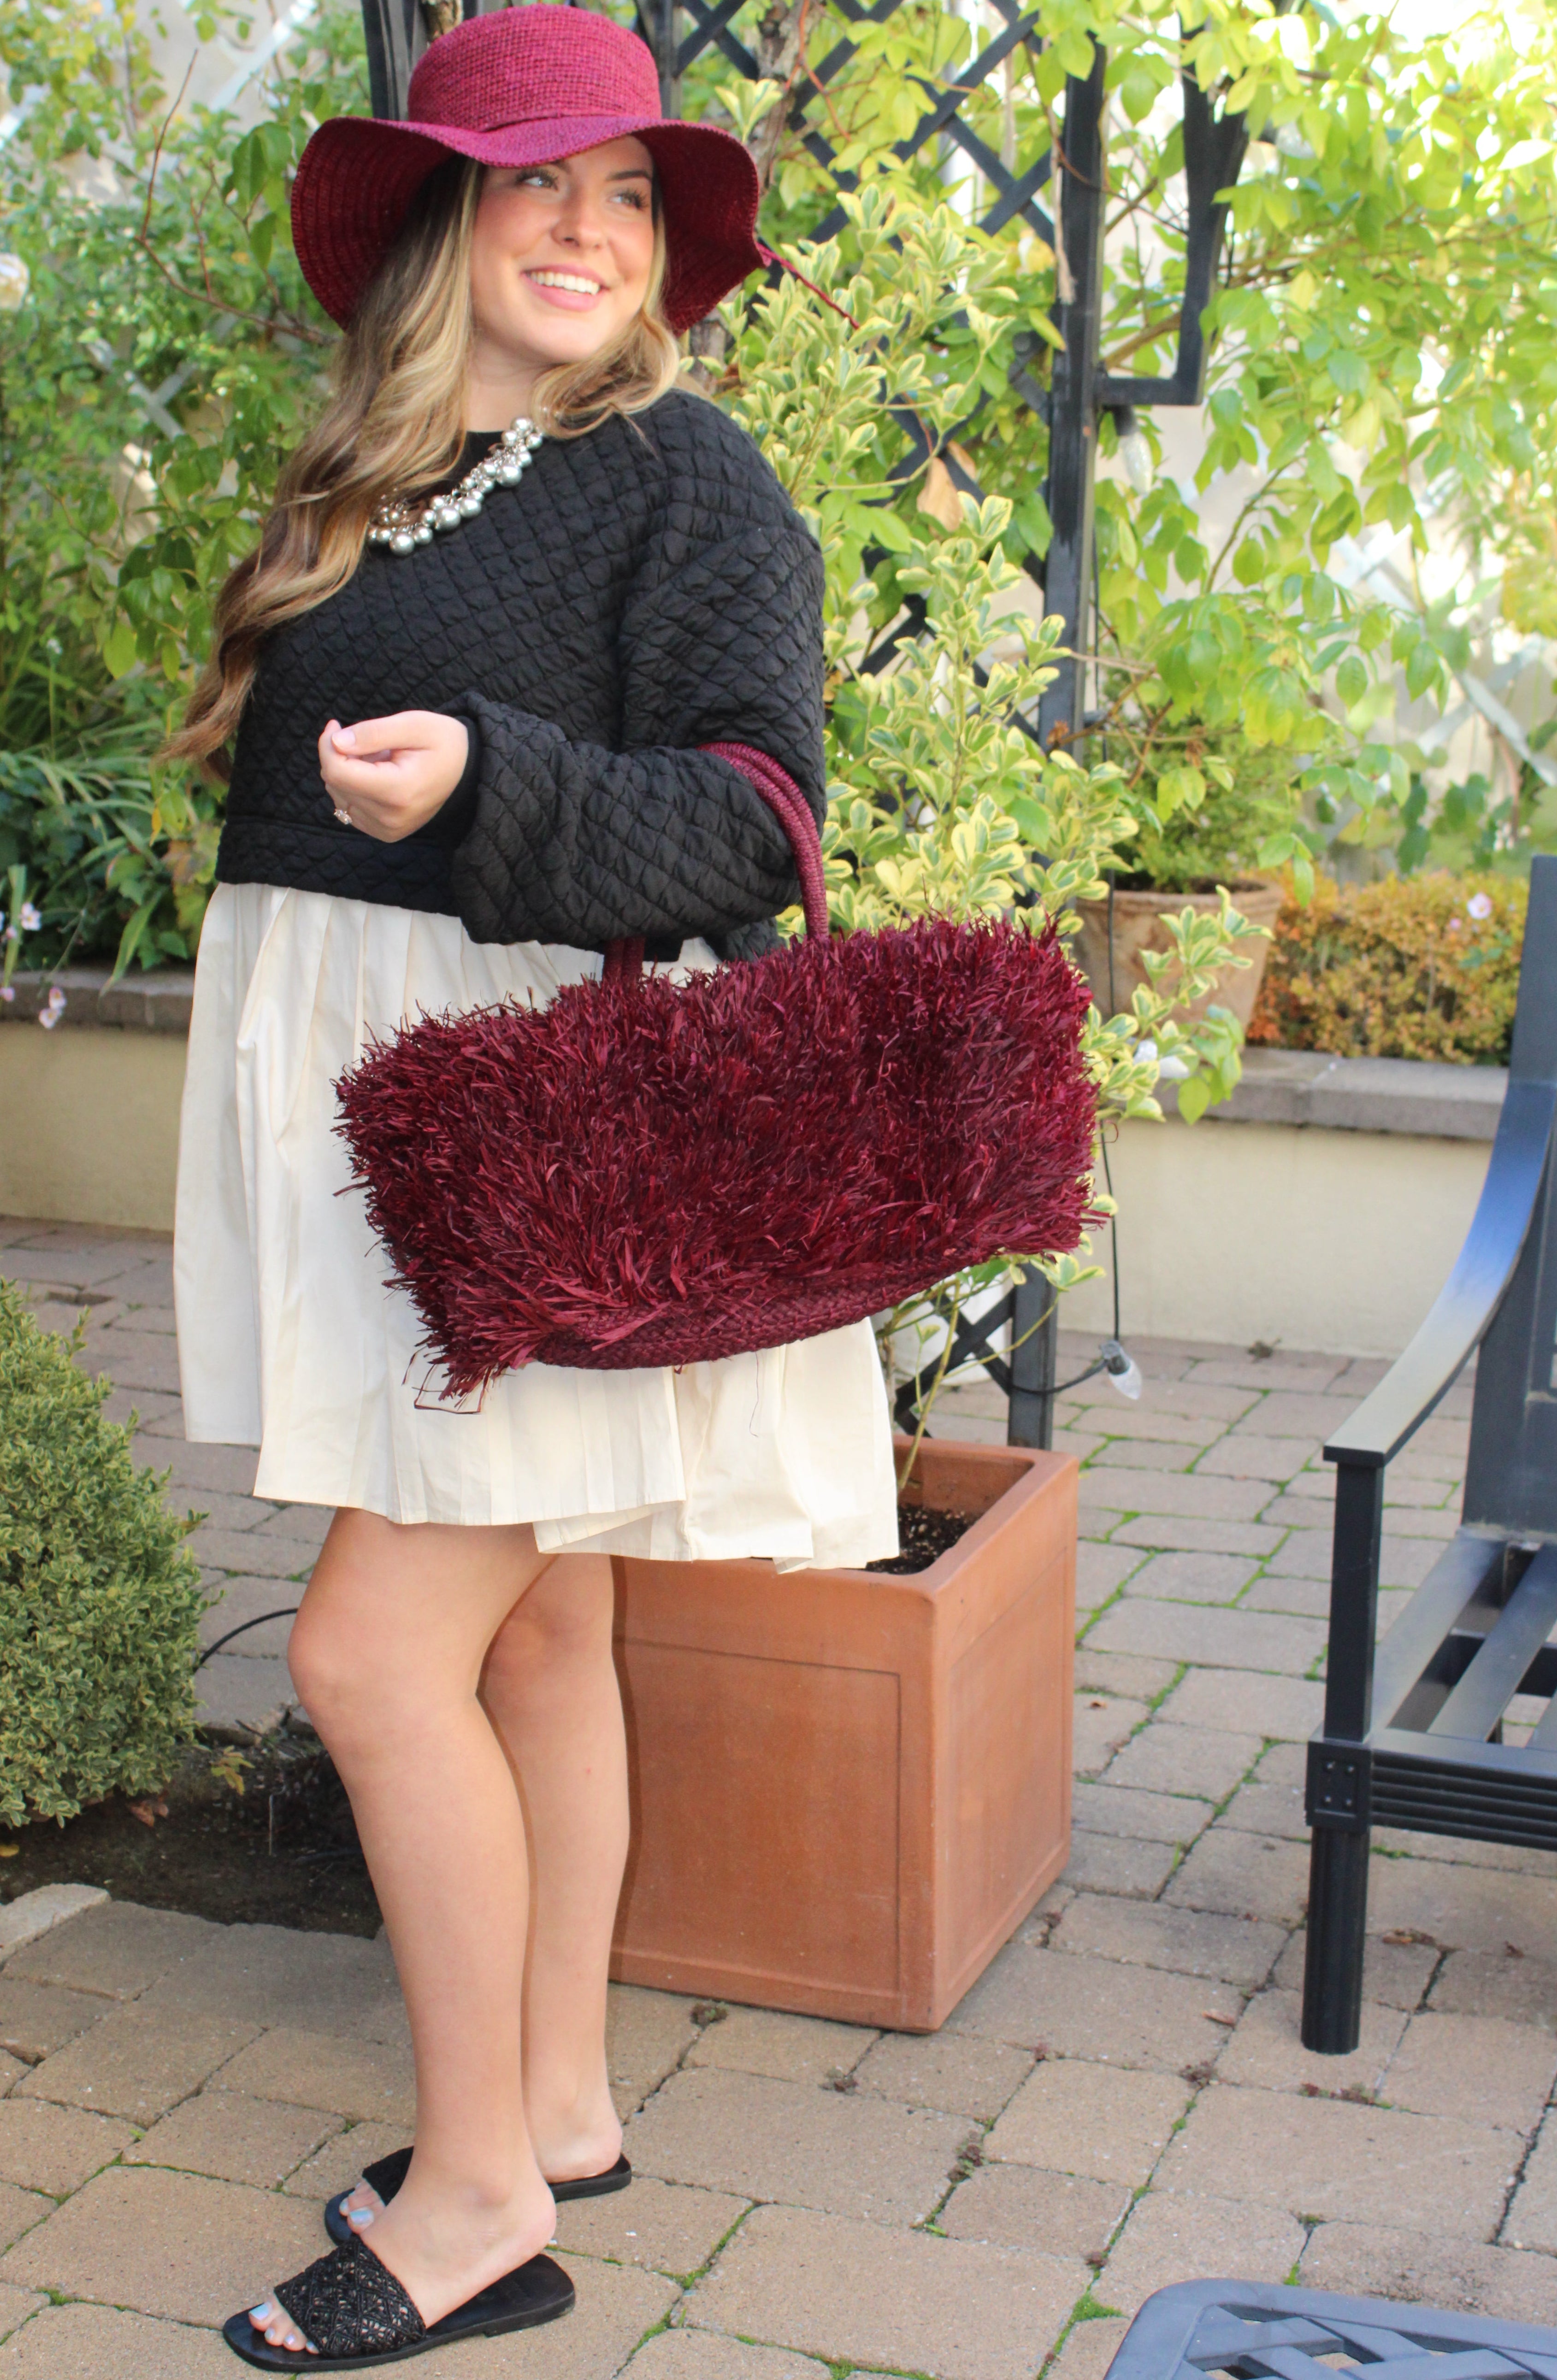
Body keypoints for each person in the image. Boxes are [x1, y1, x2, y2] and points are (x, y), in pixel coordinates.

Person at [168, 7, 897, 2365]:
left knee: (367, 1653)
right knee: (543, 1629)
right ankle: (559, 2094)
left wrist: (490, 778)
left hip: (522, 1145)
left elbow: (757, 828)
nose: (588, 230)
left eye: (630, 197)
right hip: (372, 1120)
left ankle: (478, 2196)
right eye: (534, 183)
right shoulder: (360, 478)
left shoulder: (687, 483)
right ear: (442, 225)